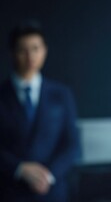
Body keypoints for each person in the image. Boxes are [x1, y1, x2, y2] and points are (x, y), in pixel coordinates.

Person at [0, 22, 80, 202]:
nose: (30, 56)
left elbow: (72, 144)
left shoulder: (61, 94)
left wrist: (48, 176)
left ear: (44, 51)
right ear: (11, 53)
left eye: (35, 48)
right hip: (10, 191)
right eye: (22, 50)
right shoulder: (2, 95)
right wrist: (19, 169)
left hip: (52, 191)